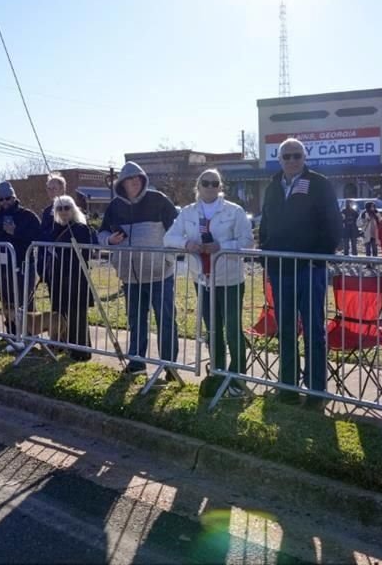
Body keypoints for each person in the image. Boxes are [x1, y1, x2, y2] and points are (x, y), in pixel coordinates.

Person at [259, 138, 341, 402]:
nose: (292, 160)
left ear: (304, 158)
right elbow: (265, 225)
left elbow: (334, 225)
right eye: (287, 156)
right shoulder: (272, 187)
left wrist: (318, 256)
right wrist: (266, 256)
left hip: (310, 269)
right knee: (285, 328)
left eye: (297, 155)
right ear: (279, 159)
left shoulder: (319, 184)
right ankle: (288, 386)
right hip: (280, 270)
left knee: (314, 329)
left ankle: (316, 390)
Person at [164, 168, 254, 397]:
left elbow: (247, 242)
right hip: (202, 280)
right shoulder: (188, 212)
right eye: (206, 183)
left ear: (220, 186)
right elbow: (169, 238)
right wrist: (187, 244)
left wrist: (222, 246)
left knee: (233, 330)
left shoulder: (235, 211)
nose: (211, 187)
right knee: (213, 329)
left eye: (215, 183)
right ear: (199, 185)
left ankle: (238, 379)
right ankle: (218, 372)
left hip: (230, 279)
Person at [98, 162, 179, 376]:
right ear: (122, 183)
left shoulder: (158, 200)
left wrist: (168, 258)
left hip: (160, 274)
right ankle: (136, 362)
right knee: (135, 319)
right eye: (130, 180)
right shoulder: (114, 206)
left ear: (143, 180)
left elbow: (178, 229)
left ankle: (170, 366)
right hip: (130, 276)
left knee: (166, 318)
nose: (134, 182)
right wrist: (109, 240)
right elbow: (101, 233)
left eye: (138, 179)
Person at [0, 182, 41, 350]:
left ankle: (29, 335)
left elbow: (37, 237)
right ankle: (12, 334)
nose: (4, 202)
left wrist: (15, 232)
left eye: (7, 198)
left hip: (24, 265)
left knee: (25, 301)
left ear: (14, 197)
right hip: (1, 267)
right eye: (1, 199)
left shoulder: (27, 216)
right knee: (7, 301)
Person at [47, 195, 95, 361]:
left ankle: (81, 352)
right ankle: (63, 346)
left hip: (76, 278)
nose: (63, 211)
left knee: (77, 315)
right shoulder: (56, 229)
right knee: (61, 314)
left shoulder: (81, 228)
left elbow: (87, 254)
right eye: (59, 208)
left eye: (67, 207)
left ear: (73, 209)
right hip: (58, 278)